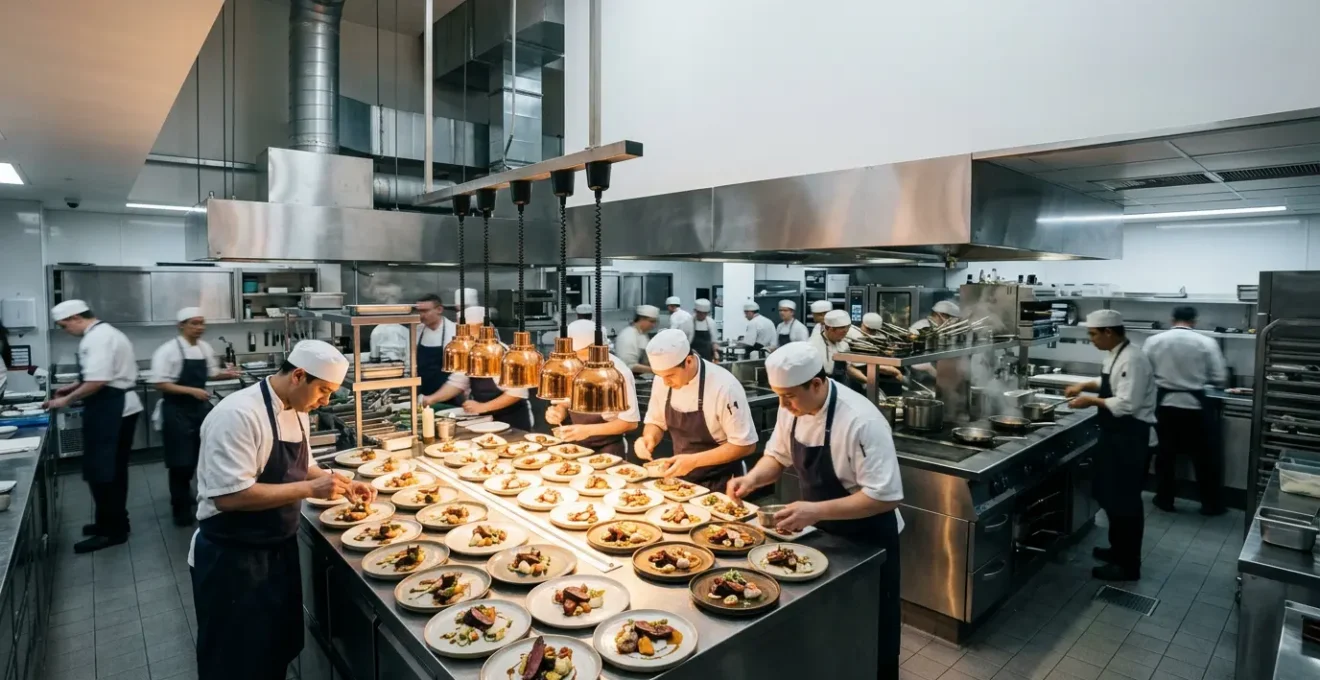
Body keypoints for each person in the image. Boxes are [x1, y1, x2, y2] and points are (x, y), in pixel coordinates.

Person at [191, 340, 374, 680]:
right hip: (233, 560)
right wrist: (309, 489)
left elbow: (300, 466)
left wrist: (341, 481)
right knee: (234, 662)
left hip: (276, 551)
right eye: (323, 390)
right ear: (299, 376)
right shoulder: (238, 415)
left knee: (274, 650)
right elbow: (228, 497)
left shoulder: (296, 409)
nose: (326, 401)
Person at [727, 342, 904, 680]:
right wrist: (751, 479)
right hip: (822, 534)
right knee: (831, 625)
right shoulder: (791, 407)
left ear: (817, 384)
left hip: (870, 539)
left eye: (789, 396)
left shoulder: (861, 420)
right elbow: (776, 457)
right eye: (779, 395)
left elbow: (886, 496)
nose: (783, 404)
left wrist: (813, 511)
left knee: (873, 626)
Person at [1065, 310, 1157, 581]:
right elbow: (1110, 383)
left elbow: (1128, 404)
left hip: (1131, 439)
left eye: (1093, 334)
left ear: (1108, 332)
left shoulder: (1134, 358)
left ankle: (1128, 565)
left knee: (1125, 503)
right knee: (1109, 496)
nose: (1091, 339)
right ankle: (1118, 551)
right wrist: (1085, 384)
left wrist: (1090, 401)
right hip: (1115, 435)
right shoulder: (1116, 353)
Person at [46, 300, 142, 553]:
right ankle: (111, 522)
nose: (66, 330)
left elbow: (98, 380)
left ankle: (113, 531)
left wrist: (64, 399)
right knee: (108, 471)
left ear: (76, 317)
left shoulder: (97, 338)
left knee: (104, 472)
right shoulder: (104, 333)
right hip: (113, 406)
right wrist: (74, 387)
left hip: (112, 408)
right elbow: (96, 376)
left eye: (65, 325)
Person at [633, 329, 758, 490]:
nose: (664, 382)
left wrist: (694, 461)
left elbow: (745, 445)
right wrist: (649, 438)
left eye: (670, 375)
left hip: (723, 482)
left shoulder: (724, 386)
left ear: (689, 361)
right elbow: (656, 422)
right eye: (660, 376)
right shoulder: (662, 379)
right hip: (682, 482)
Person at [149, 307, 239, 526]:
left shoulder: (204, 348)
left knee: (204, 457)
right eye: (194, 323)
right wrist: (191, 390)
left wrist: (226, 373)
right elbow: (159, 383)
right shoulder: (168, 351)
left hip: (199, 410)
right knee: (180, 462)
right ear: (181, 325)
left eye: (202, 323)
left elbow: (210, 373)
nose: (200, 328)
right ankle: (180, 509)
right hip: (176, 410)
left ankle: (198, 497)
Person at [1144, 305, 1229, 515]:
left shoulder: (1154, 341)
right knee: (1205, 459)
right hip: (1196, 407)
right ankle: (1210, 505)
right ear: (1195, 320)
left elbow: (1143, 373)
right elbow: (1220, 378)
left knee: (1165, 457)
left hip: (1165, 406)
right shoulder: (1207, 342)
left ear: (1172, 319)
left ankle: (1165, 500)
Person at [424, 307, 534, 430]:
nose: (463, 336)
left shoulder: (504, 355)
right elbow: (457, 382)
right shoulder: (469, 351)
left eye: (468, 331)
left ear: (483, 330)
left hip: (513, 422)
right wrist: (430, 399)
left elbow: (518, 393)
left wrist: (483, 407)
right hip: (486, 422)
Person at [543, 319, 641, 456]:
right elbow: (565, 401)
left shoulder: (619, 373)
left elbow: (630, 423)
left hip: (608, 447)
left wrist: (587, 430)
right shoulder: (572, 365)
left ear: (598, 347)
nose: (577, 359)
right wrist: (558, 411)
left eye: (581, 353)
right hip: (574, 444)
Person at [415, 293, 461, 408]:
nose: (421, 315)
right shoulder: (417, 330)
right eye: (419, 311)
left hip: (450, 393)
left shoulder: (455, 331)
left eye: (425, 311)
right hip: (422, 392)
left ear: (439, 309)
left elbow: (459, 371)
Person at [615, 305, 659, 376]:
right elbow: (629, 365)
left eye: (655, 322)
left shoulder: (642, 334)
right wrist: (656, 371)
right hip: (629, 378)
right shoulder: (628, 335)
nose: (653, 325)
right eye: (651, 321)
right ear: (641, 319)